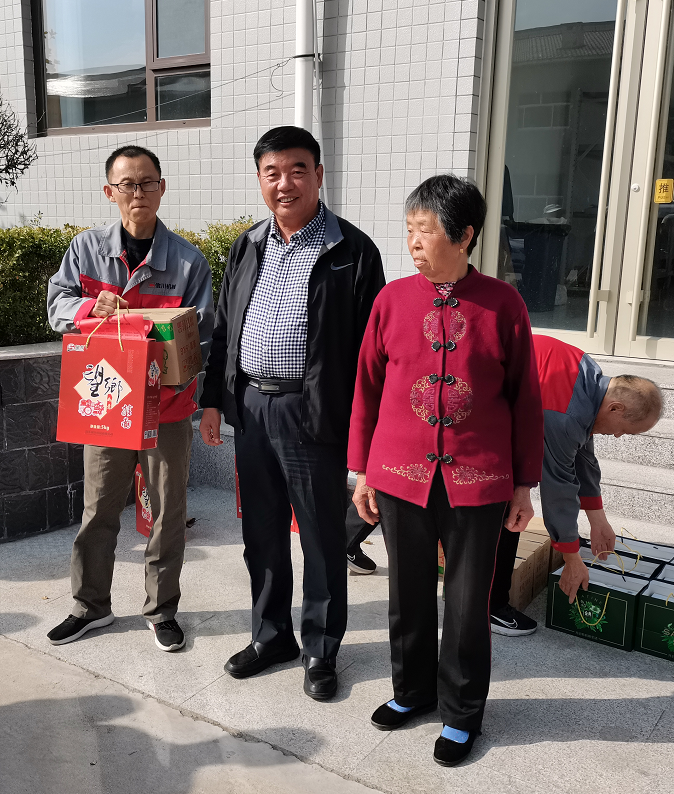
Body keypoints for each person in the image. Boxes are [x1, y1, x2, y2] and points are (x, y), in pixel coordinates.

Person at [348, 174, 543, 767]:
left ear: (464, 236)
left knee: (465, 603)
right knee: (406, 593)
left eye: (425, 230)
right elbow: (367, 388)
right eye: (409, 229)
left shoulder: (503, 304)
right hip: (399, 474)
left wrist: (523, 484)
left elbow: (525, 399)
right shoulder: (391, 301)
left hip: (477, 479)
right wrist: (362, 471)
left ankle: (461, 713)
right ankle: (411, 691)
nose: (413, 242)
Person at [199, 126, 385, 700]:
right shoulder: (247, 245)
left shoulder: (352, 251)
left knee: (323, 539)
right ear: (260, 179)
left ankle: (321, 649)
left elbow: (372, 354)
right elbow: (225, 327)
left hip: (314, 412)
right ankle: (271, 635)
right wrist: (213, 398)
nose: (285, 184)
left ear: (319, 175)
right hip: (252, 409)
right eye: (272, 173)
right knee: (261, 532)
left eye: (297, 170)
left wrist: (364, 438)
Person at [46, 145, 214, 652]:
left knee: (168, 512)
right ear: (109, 192)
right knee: (99, 508)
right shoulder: (86, 250)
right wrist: (89, 308)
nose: (137, 192)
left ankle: (161, 610)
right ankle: (90, 606)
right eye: (127, 184)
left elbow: (202, 336)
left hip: (168, 407)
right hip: (107, 402)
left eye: (147, 182)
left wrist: (173, 361)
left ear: (162, 188)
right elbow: (56, 307)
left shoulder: (188, 262)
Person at [489, 335, 664, 634]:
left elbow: (583, 457)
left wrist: (599, 521)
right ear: (616, 408)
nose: (618, 436)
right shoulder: (566, 415)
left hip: (497, 406)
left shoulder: (589, 375)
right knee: (507, 510)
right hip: (472, 411)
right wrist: (572, 559)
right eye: (624, 430)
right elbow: (558, 487)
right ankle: (491, 608)